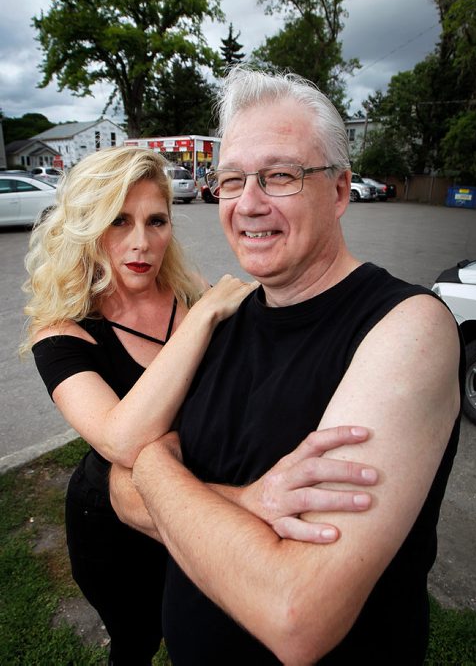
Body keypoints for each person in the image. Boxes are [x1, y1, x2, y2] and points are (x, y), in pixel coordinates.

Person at [111, 67, 463, 665]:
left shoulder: (407, 328)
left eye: (280, 176)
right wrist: (246, 502)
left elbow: (294, 612)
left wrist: (154, 462)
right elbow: (117, 495)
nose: (248, 204)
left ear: (340, 190)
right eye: (231, 179)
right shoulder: (224, 318)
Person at [23, 145, 380, 665]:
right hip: (114, 524)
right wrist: (203, 317)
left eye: (156, 220)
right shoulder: (63, 332)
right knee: (136, 639)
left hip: (200, 501)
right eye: (118, 222)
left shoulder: (193, 296)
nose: (141, 243)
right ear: (85, 228)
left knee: (194, 624)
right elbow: (120, 439)